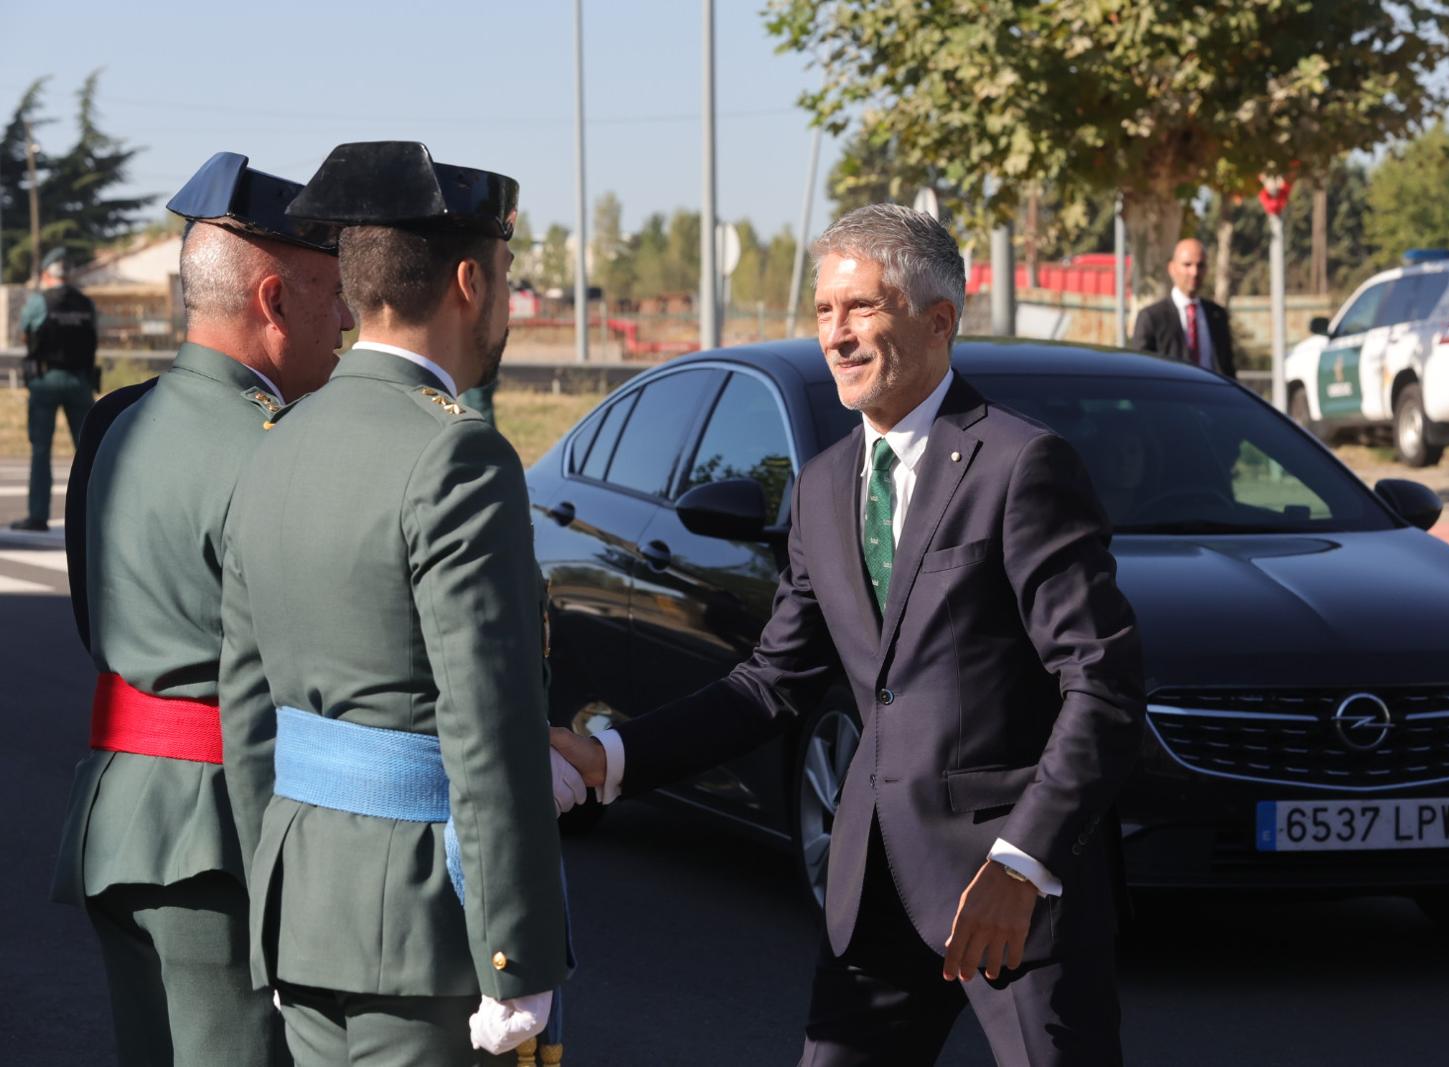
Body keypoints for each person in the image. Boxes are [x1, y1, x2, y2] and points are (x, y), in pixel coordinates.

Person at [554, 204, 1146, 1066]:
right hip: (872, 888)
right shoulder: (825, 485)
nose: (836, 334)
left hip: (1009, 890)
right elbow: (772, 680)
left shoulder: (1022, 466)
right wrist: (610, 756)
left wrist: (1023, 861)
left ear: (938, 321)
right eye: (825, 311)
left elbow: (1103, 684)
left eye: (862, 307)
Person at [218, 141, 577, 1065]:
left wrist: (275, 904)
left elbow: (249, 709)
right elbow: (487, 720)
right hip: (425, 928)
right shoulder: (458, 453)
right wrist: (515, 951)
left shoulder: (278, 438)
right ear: (470, 282)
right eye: (506, 278)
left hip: (303, 905)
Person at [50, 152, 351, 1066]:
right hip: (221, 842)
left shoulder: (116, 422)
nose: (346, 319)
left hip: (119, 820)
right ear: (273, 300)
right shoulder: (284, 452)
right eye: (333, 292)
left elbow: (93, 621)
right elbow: (327, 676)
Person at [11, 246, 97, 532]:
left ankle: (38, 516)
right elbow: (93, 338)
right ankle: (95, 514)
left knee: (41, 450)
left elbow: (25, 334)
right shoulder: (86, 303)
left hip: (46, 381)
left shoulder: (39, 302)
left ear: (47, 274)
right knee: (89, 450)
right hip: (79, 382)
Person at [1130, 237, 1237, 379]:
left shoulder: (1217, 315)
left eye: (1200, 265)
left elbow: (1228, 370)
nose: (1194, 272)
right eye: (1187, 265)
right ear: (1172, 268)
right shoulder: (1152, 318)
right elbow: (1140, 372)